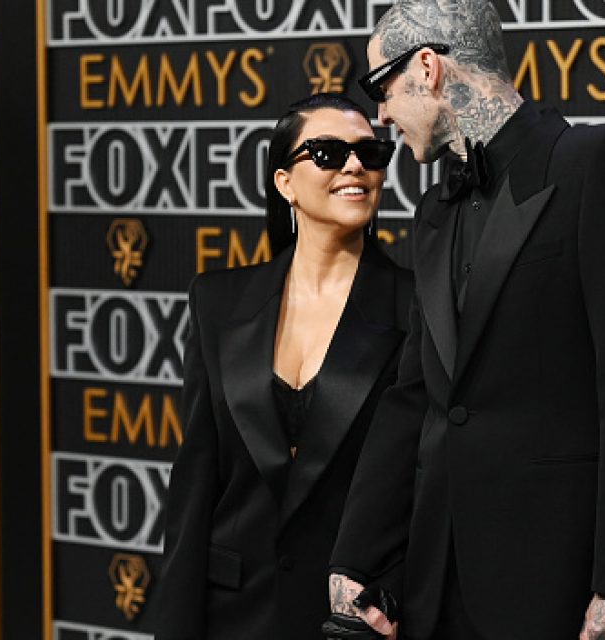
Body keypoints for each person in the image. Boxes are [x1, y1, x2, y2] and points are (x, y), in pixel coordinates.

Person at [326, 2, 605, 640]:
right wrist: (356, 557)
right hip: (432, 585)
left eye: (380, 88)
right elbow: (416, 395)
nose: (380, 113)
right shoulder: (435, 210)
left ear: (428, 68)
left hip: (555, 586)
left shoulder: (599, 163)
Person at [154, 93, 413, 640]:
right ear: (284, 182)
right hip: (231, 615)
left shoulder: (417, 308)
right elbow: (196, 481)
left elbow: (430, 484)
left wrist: (392, 594)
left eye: (370, 153)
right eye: (325, 153)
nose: (354, 167)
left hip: (353, 622)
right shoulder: (218, 302)